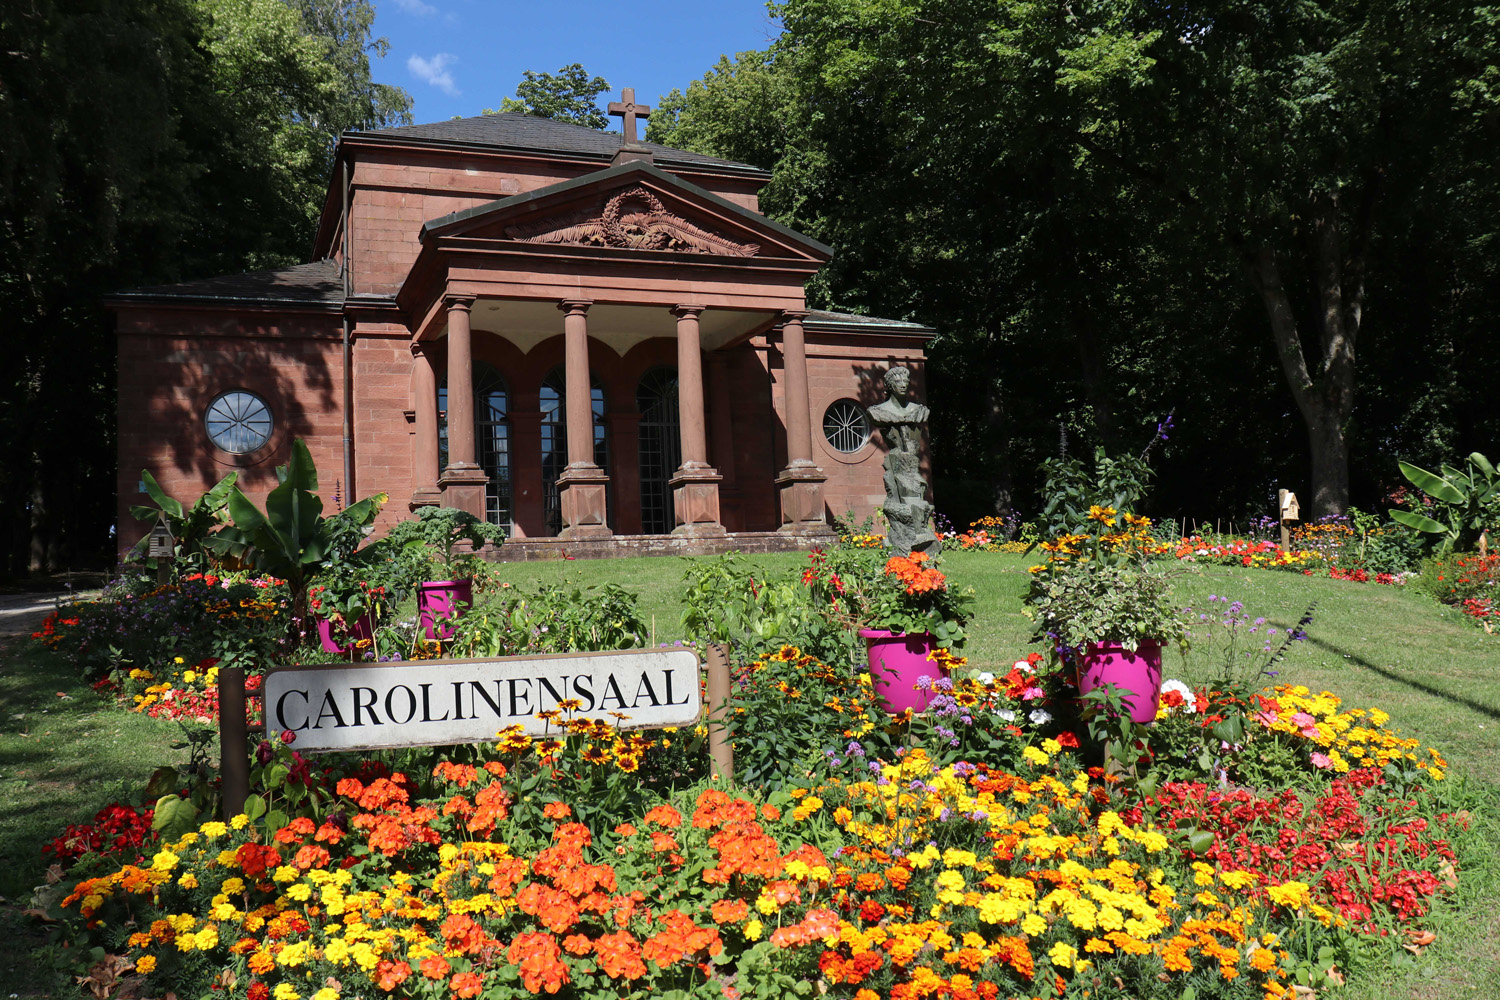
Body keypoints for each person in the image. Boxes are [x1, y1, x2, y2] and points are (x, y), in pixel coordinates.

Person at [867, 366, 940, 555]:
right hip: (896, 462)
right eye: (898, 382)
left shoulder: (919, 410)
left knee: (916, 491)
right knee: (900, 490)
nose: (902, 385)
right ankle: (903, 544)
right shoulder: (878, 411)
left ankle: (920, 540)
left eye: (905, 382)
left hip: (911, 464)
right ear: (890, 386)